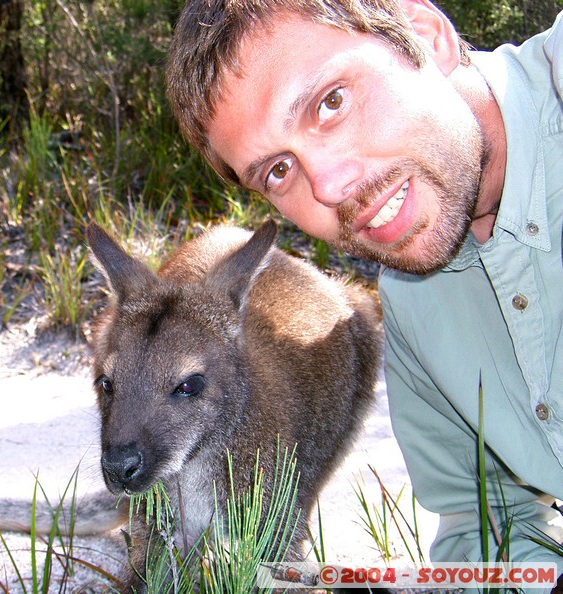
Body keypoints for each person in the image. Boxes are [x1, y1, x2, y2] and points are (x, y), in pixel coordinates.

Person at [165, 0, 563, 585]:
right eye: (278, 170)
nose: (328, 185)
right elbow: (489, 529)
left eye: (332, 103)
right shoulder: (414, 301)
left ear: (425, 36)